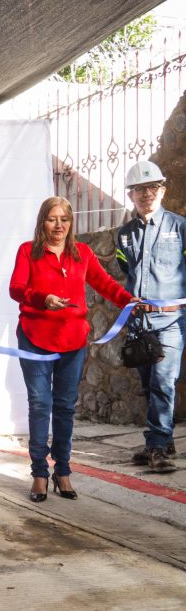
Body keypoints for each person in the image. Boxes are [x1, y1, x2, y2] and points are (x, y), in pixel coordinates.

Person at [10, 196, 135, 502]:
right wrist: (43, 299)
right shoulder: (28, 250)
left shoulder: (83, 253)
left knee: (65, 407)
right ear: (42, 222)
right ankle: (39, 473)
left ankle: (62, 471)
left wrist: (128, 301)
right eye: (52, 219)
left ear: (71, 222)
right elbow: (16, 288)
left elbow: (105, 283)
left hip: (73, 341)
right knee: (40, 404)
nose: (58, 225)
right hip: (35, 337)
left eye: (64, 219)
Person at [117, 162, 185, 473]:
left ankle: (156, 447)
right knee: (148, 384)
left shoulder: (180, 228)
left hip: (171, 321)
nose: (147, 193)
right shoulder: (124, 236)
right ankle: (163, 440)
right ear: (130, 195)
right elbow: (126, 272)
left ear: (163, 190)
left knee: (163, 382)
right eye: (140, 188)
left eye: (153, 187)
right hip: (139, 323)